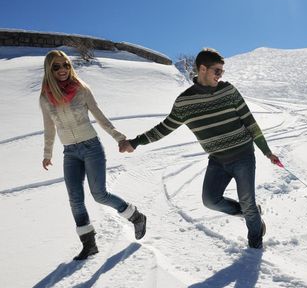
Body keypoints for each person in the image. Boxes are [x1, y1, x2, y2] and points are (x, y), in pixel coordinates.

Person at [119, 48, 279, 249]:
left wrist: (266, 151)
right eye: (217, 71)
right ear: (202, 69)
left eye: (222, 72)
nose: (220, 76)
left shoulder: (228, 91)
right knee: (210, 200)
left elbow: (250, 123)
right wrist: (135, 142)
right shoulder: (185, 102)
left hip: (243, 155)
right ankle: (251, 212)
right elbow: (164, 128)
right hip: (218, 160)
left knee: (247, 202)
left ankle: (255, 245)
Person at [40, 50, 147, 261]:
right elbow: (48, 127)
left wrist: (119, 137)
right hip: (70, 152)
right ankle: (89, 245)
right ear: (49, 69)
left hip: (91, 147)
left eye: (65, 65)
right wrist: (47, 153)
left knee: (99, 194)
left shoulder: (81, 89)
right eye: (56, 66)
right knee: (75, 199)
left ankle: (136, 216)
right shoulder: (45, 97)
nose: (62, 70)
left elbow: (99, 116)